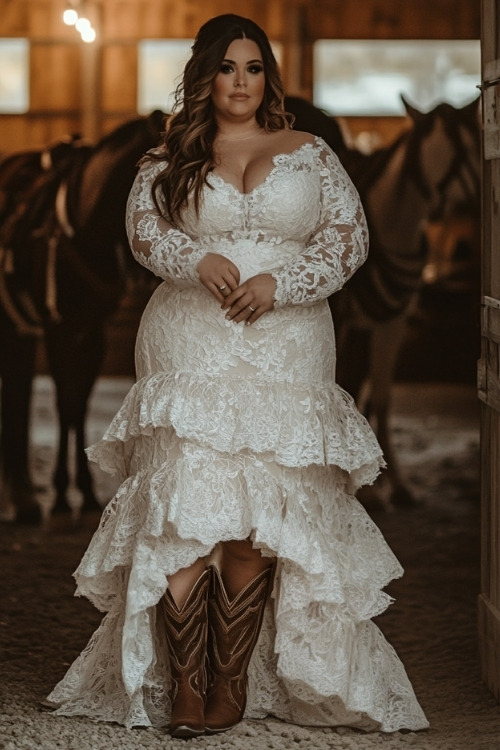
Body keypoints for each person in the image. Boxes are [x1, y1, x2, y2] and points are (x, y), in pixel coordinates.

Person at [46, 13, 429, 739]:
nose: (242, 83)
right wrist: (195, 261)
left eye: (254, 68)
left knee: (257, 523)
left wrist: (282, 286)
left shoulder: (312, 154)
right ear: (205, 77)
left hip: (288, 344)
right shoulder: (169, 156)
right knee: (189, 511)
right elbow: (141, 227)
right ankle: (185, 687)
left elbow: (350, 238)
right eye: (227, 69)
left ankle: (229, 681)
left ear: (268, 77)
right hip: (190, 343)